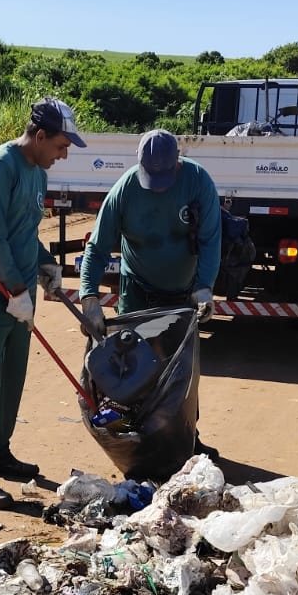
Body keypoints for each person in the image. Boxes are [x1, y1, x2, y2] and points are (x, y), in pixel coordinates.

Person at [0, 97, 85, 509]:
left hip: (19, 295)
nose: (64, 155)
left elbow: (23, 233)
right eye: (62, 146)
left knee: (12, 380)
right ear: (40, 135)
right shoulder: (0, 166)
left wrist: (46, 267)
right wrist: (15, 289)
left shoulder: (38, 173)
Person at [77, 128, 222, 454]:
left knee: (182, 372)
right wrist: (89, 298)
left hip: (183, 296)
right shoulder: (125, 191)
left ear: (178, 164)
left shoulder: (198, 183)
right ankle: (137, 444)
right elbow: (97, 248)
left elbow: (212, 240)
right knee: (132, 369)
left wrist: (204, 288)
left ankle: (187, 439)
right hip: (137, 292)